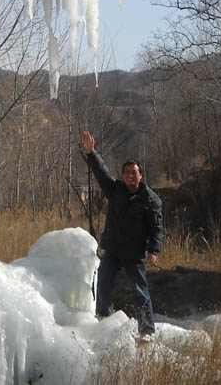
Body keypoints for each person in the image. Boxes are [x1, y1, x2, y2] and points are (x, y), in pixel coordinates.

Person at [78, 129, 164, 339]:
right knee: (104, 283)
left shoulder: (150, 199)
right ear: (123, 175)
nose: (130, 175)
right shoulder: (115, 190)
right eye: (127, 172)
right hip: (114, 249)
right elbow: (101, 173)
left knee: (139, 291)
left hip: (135, 253)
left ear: (140, 175)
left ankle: (146, 330)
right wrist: (91, 152)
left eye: (134, 172)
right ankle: (102, 321)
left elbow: (157, 228)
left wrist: (154, 249)